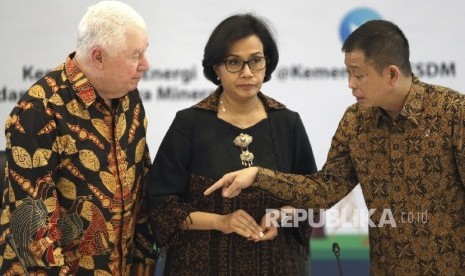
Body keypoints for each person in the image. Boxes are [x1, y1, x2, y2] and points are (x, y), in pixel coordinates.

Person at [205, 19, 465, 275]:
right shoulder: (356, 122)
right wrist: (259, 176)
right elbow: (325, 190)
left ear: (392, 74)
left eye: (358, 74)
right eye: (348, 72)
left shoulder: (452, 113)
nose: (350, 83)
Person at [146, 13, 318, 275]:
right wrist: (220, 221)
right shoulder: (189, 123)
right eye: (234, 62)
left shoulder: (287, 123)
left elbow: (312, 198)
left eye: (256, 61)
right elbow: (162, 205)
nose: (247, 73)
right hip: (199, 266)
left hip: (275, 265)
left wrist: (280, 216)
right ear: (216, 67)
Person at [0, 1, 156, 275]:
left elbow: (141, 185)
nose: (146, 64)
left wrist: (144, 263)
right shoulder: (39, 112)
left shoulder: (128, 95)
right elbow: (32, 232)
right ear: (98, 56)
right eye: (136, 55)